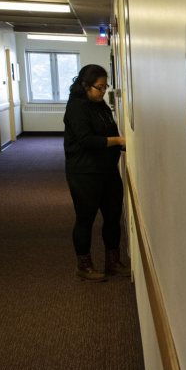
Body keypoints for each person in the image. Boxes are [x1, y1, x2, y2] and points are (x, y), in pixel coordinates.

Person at [63, 64, 129, 282]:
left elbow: (111, 130)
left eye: (105, 87)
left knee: (112, 217)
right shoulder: (76, 108)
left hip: (107, 170)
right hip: (84, 173)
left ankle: (113, 262)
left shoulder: (101, 106)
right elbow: (86, 140)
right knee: (86, 219)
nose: (102, 92)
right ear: (85, 85)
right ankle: (84, 265)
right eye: (98, 87)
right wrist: (118, 141)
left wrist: (121, 144)